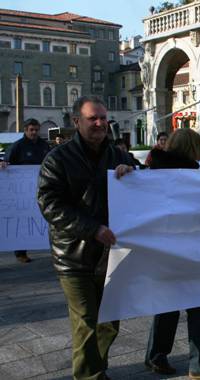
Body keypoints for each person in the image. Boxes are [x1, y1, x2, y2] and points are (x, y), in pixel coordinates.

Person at [37, 96, 136, 380]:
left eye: (103, 118)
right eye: (93, 118)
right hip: (73, 256)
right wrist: (93, 229)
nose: (100, 123)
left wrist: (132, 172)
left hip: (111, 255)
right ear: (76, 121)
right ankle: (88, 376)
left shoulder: (117, 154)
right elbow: (50, 204)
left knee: (110, 324)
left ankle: (96, 368)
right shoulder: (57, 158)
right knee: (86, 322)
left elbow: (145, 184)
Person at [144, 129, 200, 380]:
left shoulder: (154, 167)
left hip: (162, 244)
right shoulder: (191, 169)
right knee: (195, 304)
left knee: (169, 303)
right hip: (189, 242)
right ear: (192, 146)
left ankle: (156, 356)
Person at [3, 118, 50, 263]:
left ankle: (47, 244)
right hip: (21, 191)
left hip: (42, 187)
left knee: (44, 215)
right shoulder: (18, 146)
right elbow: (7, 161)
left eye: (36, 130)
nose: (34, 132)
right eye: (31, 130)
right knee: (23, 218)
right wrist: (3, 163)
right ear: (25, 130)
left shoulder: (44, 145)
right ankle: (20, 252)